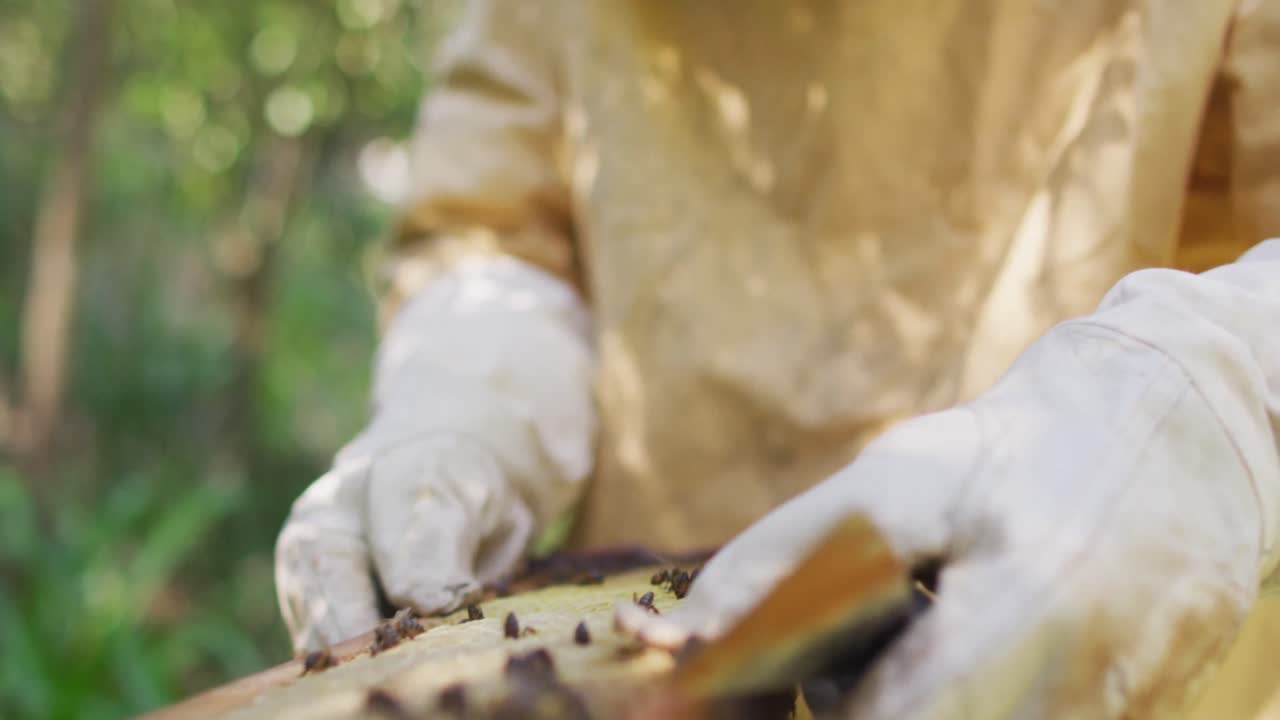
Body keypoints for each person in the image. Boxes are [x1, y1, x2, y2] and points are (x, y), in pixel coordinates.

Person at [274, 2, 1280, 717]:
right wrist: (473, 383)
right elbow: (493, 222)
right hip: (649, 655)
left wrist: (1207, 398)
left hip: (1091, 659)